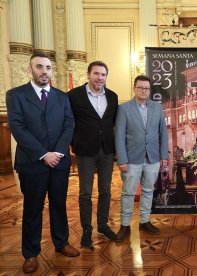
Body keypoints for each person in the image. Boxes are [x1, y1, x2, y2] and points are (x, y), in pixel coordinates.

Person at [6, 52, 79, 273]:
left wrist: (56, 153)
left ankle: (61, 243)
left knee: (59, 205)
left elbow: (69, 125)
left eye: (48, 68)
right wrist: (43, 154)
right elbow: (18, 128)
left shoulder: (61, 96)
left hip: (59, 163)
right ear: (30, 70)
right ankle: (30, 253)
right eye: (39, 67)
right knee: (32, 209)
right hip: (32, 163)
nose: (44, 71)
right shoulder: (15, 95)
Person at [67, 61, 118, 248]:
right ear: (89, 75)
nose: (100, 78)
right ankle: (87, 229)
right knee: (85, 192)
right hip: (85, 151)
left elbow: (113, 124)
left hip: (106, 150)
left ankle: (103, 225)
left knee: (105, 190)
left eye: (103, 74)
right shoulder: (74, 96)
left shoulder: (112, 96)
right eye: (96, 74)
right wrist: (72, 143)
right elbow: (67, 121)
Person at [114, 75, 169, 241]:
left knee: (148, 191)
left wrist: (163, 155)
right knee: (128, 192)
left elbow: (163, 133)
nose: (143, 91)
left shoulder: (157, 108)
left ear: (149, 90)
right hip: (131, 159)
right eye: (140, 88)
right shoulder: (124, 108)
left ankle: (145, 221)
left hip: (152, 158)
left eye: (146, 88)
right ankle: (125, 225)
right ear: (134, 88)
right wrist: (121, 159)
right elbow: (119, 135)